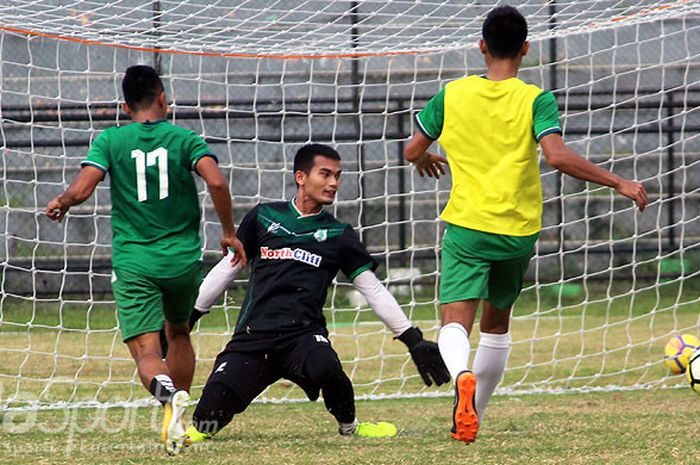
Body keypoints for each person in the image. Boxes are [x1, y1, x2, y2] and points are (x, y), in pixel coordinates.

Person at [403, 5, 648, 444]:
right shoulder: (536, 99)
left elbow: (411, 149)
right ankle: (472, 415)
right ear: (526, 49)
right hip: (517, 232)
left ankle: (461, 376)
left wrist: (424, 157)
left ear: (481, 47)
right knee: (496, 327)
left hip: (467, 227)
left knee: (455, 324)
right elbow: (556, 155)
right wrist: (619, 181)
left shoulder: (451, 94)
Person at [183, 143, 450, 443]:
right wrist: (189, 317)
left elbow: (372, 289)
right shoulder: (262, 217)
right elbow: (226, 269)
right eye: (325, 174)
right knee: (205, 420)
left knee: (326, 366)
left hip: (303, 337)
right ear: (300, 176)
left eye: (338, 175)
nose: (334, 183)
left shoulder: (339, 235)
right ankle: (195, 429)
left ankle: (350, 426)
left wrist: (412, 339)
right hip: (253, 337)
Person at [45, 65, 247, 455]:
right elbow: (217, 181)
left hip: (136, 260)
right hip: (182, 260)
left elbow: (84, 186)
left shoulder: (110, 141)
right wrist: (228, 231)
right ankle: (182, 413)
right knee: (180, 332)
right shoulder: (184, 138)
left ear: (124, 107)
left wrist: (62, 202)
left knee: (148, 352)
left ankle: (169, 397)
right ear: (162, 98)